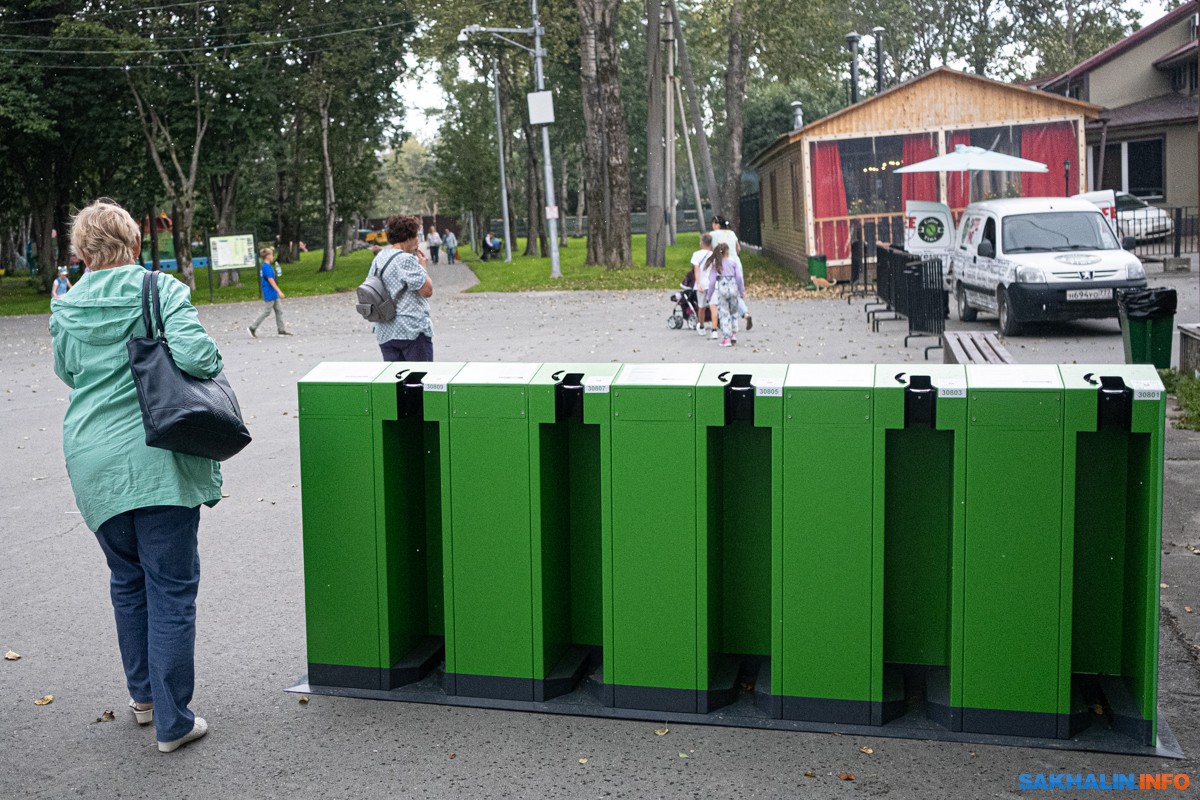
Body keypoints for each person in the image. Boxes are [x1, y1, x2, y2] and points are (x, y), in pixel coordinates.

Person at [50, 198, 220, 753]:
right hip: (156, 457)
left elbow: (69, 372)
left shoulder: (66, 306)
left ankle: (144, 700)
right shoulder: (159, 290)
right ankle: (174, 721)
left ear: (81, 251)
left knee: (127, 583)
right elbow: (197, 358)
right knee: (171, 588)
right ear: (135, 244)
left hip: (92, 460)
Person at [370, 214, 434, 361]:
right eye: (416, 236)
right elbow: (427, 290)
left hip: (385, 330)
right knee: (418, 381)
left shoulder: (379, 258)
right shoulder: (405, 259)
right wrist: (422, 266)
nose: (418, 240)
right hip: (410, 329)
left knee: (396, 382)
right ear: (408, 237)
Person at [708, 216, 752, 335]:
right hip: (736, 263)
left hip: (722, 266)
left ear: (717, 224)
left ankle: (723, 324)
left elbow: (710, 249)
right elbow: (738, 248)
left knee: (722, 295)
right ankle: (745, 313)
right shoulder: (732, 233)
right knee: (735, 293)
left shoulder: (712, 234)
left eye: (713, 223)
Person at [248, 246, 291, 337]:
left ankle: (281, 329)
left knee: (279, 311)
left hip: (272, 292)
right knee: (267, 311)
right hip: (269, 292)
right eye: (271, 254)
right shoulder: (266, 267)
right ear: (267, 256)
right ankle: (253, 327)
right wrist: (279, 291)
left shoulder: (267, 266)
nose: (272, 256)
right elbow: (271, 280)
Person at [708, 242, 745, 347]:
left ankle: (726, 338)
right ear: (728, 252)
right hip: (733, 289)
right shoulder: (733, 263)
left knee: (724, 314)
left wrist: (709, 295)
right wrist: (742, 290)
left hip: (722, 290)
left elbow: (711, 282)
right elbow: (739, 277)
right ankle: (734, 334)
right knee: (734, 312)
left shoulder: (717, 264)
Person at [690, 234, 714, 336]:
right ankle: (714, 327)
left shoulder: (696, 254)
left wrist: (698, 282)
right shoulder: (713, 255)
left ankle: (701, 326)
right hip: (712, 284)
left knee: (701, 306)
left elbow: (696, 270)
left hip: (702, 284)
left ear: (702, 243)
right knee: (713, 306)